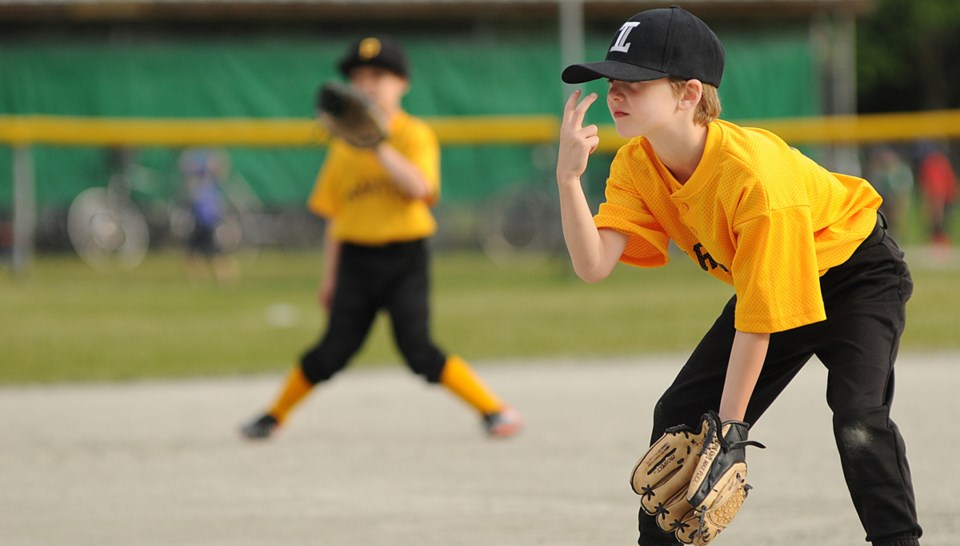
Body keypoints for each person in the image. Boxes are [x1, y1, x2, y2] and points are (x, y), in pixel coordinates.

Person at [556, 7, 920, 546]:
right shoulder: (636, 164)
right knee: (678, 416)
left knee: (858, 418)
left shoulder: (753, 179)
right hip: (770, 285)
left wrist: (730, 431)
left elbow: (758, 320)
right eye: (613, 80)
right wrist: (567, 179)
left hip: (855, 275)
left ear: (688, 94)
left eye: (634, 82)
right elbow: (593, 265)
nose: (615, 93)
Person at [240, 35, 522, 440]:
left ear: (402, 83)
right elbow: (335, 219)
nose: (368, 84)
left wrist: (374, 144)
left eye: (379, 75)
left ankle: (494, 410)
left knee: (418, 350)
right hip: (355, 260)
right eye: (358, 76)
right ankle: (274, 415)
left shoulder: (414, 135)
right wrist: (329, 277)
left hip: (405, 258)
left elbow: (420, 188)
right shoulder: (341, 148)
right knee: (331, 352)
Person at [179, 148, 239, 285]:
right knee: (193, 251)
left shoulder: (210, 184)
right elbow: (186, 168)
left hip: (208, 220)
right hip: (200, 219)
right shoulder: (197, 181)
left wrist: (209, 167)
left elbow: (221, 168)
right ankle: (197, 280)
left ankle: (226, 278)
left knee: (215, 251)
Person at [915, 143, 957, 249]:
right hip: (945, 197)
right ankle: (938, 245)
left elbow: (938, 189)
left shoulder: (933, 165)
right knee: (938, 222)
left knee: (938, 222)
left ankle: (940, 246)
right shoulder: (939, 163)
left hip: (943, 198)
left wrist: (936, 207)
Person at [867, 147, 914, 240]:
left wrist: (901, 205)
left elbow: (903, 192)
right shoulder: (878, 172)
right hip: (882, 199)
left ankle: (895, 237)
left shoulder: (901, 171)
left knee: (895, 219)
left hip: (895, 198)